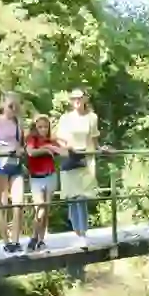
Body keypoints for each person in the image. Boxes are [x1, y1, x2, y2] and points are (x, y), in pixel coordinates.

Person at [55, 88, 104, 250]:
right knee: (72, 199)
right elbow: (59, 138)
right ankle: (77, 233)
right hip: (70, 158)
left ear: (85, 99)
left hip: (86, 159)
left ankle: (83, 234)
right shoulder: (65, 118)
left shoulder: (92, 117)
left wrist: (101, 149)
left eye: (79, 97)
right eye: (73, 98)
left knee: (81, 199)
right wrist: (68, 147)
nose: (76, 100)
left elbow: (95, 140)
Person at [0, 91, 26, 253]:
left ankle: (16, 241)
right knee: (2, 203)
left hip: (15, 164)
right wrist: (0, 149)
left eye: (16, 106)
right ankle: (6, 241)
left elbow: (21, 144)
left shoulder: (18, 122)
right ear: (2, 105)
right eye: (10, 105)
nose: (13, 109)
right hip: (0, 164)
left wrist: (19, 149)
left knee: (18, 203)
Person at [25, 114, 63, 252]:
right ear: (35, 127)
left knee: (45, 209)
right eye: (40, 126)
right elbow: (30, 152)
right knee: (39, 207)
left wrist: (56, 145)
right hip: (36, 178)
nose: (42, 129)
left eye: (45, 127)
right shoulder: (31, 139)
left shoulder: (51, 140)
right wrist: (47, 149)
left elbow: (63, 152)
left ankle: (41, 240)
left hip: (50, 176)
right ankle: (34, 237)